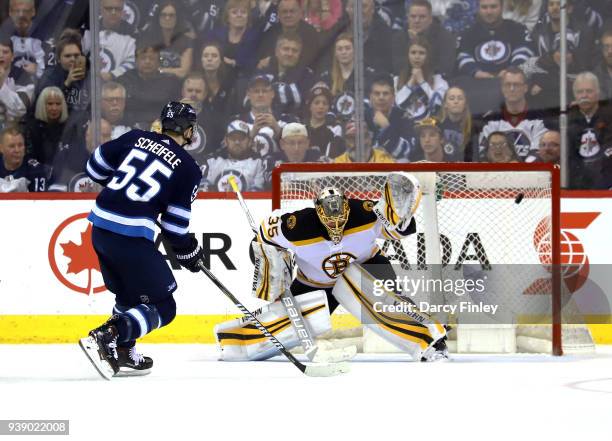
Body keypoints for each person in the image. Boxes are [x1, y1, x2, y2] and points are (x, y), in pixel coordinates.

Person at [215, 176, 448, 362]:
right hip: (315, 283)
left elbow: (397, 231)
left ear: (347, 207)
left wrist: (402, 218)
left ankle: (433, 340)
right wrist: (274, 262)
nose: (336, 225)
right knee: (284, 323)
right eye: (329, 219)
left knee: (389, 302)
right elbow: (263, 238)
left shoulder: (364, 213)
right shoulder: (296, 226)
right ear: (317, 211)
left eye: (341, 218)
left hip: (366, 265)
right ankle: (236, 342)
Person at [79, 102, 204, 379]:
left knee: (129, 296)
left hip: (100, 228)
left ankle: (123, 351)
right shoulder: (188, 168)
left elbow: (94, 166)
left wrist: (120, 187)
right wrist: (189, 250)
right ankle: (110, 334)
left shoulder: (136, 137)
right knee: (164, 307)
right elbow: (174, 226)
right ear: (189, 130)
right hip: (130, 237)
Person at [478, 68, 547, 162]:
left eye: (517, 85)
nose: (512, 89)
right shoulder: (491, 119)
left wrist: (519, 167)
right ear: (502, 88)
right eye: (507, 85)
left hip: (529, 174)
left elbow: (538, 153)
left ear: (525, 88)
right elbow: (484, 153)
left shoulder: (539, 118)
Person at [567, 72, 612, 189]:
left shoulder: (609, 115)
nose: (584, 95)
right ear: (574, 95)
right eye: (580, 92)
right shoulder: (567, 119)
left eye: (589, 91)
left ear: (598, 93)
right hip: (575, 183)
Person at [392, 0, 457, 78]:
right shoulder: (398, 37)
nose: (417, 21)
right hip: (405, 81)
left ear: (430, 19)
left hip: (435, 82)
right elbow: (396, 67)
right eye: (413, 16)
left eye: (422, 17)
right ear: (408, 18)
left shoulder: (445, 37)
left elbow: (445, 68)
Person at [48, 118, 113, 192]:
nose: (106, 140)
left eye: (108, 136)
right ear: (87, 136)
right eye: (102, 135)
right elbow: (56, 192)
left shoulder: (117, 161)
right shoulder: (67, 157)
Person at [394, 36, 448, 123]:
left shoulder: (439, 81)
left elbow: (437, 106)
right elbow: (399, 104)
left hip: (429, 127)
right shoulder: (397, 80)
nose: (417, 57)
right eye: (413, 52)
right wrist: (411, 81)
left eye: (421, 53)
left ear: (428, 56)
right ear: (407, 55)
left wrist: (422, 81)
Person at [202, 120, 266, 191]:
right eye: (233, 138)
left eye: (241, 138)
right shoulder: (211, 161)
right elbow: (202, 191)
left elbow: (257, 193)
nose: (237, 142)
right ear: (226, 141)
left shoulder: (257, 163)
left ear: (249, 142)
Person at [143, 1, 194, 80]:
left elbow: (183, 72)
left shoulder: (187, 41)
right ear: (158, 18)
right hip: (153, 84)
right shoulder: (148, 40)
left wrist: (160, 70)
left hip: (177, 85)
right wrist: (173, 71)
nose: (167, 18)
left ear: (177, 18)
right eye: (163, 15)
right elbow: (146, 69)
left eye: (171, 15)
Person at [23, 86, 69, 166]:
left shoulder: (68, 128)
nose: (54, 108)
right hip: (37, 172)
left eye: (58, 104)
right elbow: (29, 158)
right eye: (50, 104)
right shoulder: (32, 129)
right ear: (42, 105)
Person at [0, 125, 51, 192]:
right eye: (12, 146)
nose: (17, 150)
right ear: (1, 148)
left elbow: (39, 201)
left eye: (20, 145)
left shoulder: (36, 170)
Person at [437, 86, 478, 161]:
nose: (456, 101)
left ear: (465, 104)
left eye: (460, 98)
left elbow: (474, 157)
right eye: (451, 98)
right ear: (445, 104)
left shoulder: (473, 127)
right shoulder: (437, 125)